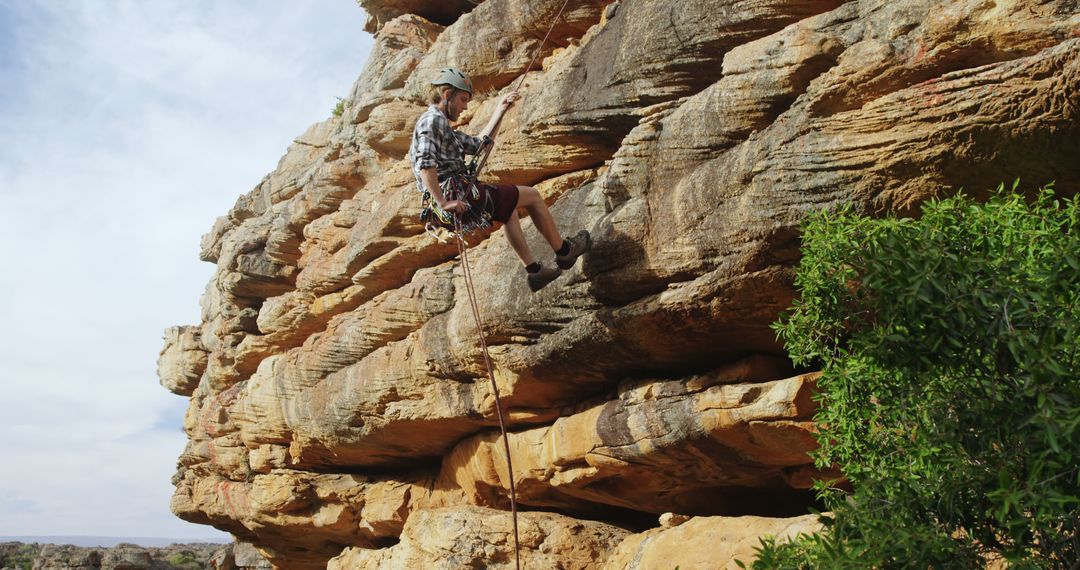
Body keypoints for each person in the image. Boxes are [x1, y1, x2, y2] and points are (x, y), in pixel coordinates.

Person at [408, 67, 591, 292]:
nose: (465, 106)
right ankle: (565, 252)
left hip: (456, 196)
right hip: (455, 195)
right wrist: (443, 202)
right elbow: (425, 162)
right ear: (447, 94)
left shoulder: (443, 126)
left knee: (508, 211)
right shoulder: (432, 120)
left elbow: (478, 145)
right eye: (463, 99)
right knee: (532, 196)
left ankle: (535, 272)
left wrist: (500, 110)